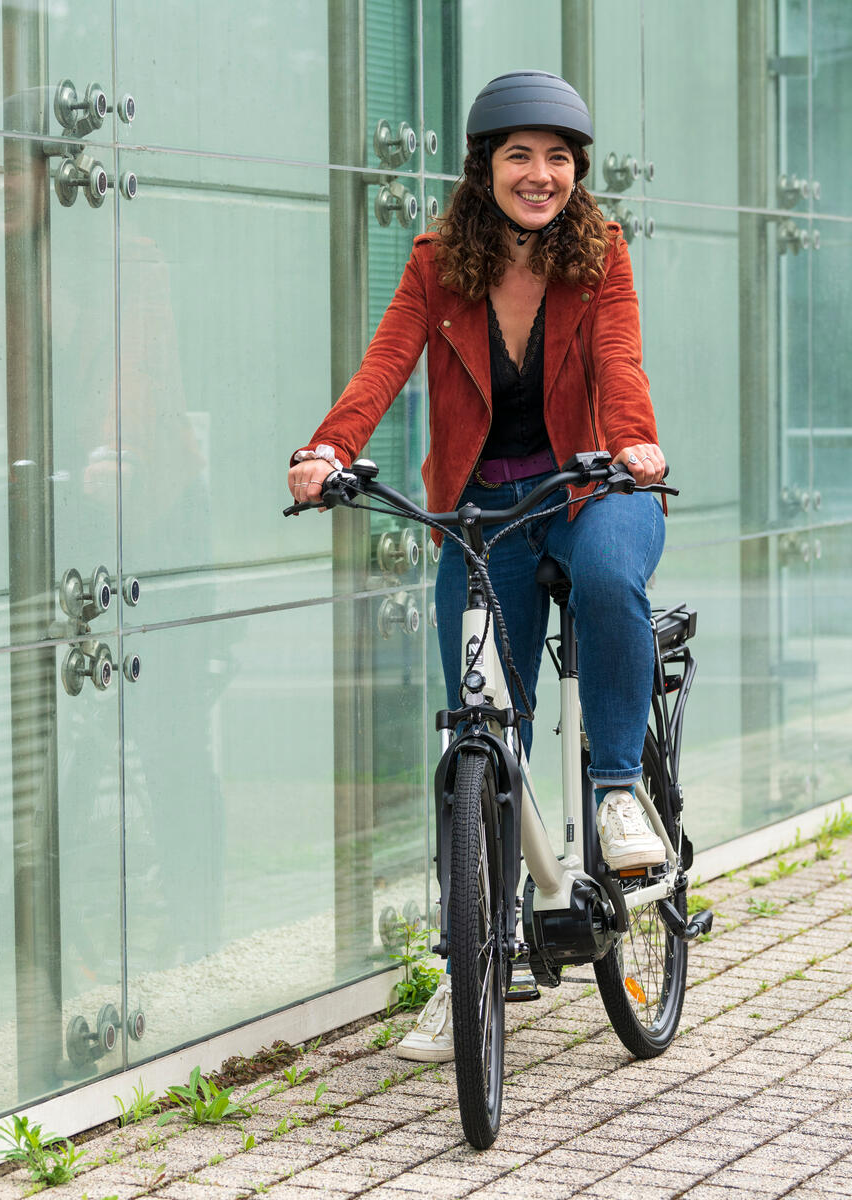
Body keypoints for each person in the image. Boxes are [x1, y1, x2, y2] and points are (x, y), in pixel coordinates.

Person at [287, 70, 668, 1061]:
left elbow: (621, 362)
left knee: (611, 580)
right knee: (478, 731)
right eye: (520, 156)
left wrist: (633, 444)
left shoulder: (601, 255)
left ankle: (620, 791)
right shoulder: (436, 264)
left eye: (558, 159)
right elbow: (383, 366)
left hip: (594, 491)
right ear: (483, 167)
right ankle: (475, 965)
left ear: (577, 171)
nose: (541, 176)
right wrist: (329, 450)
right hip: (483, 511)